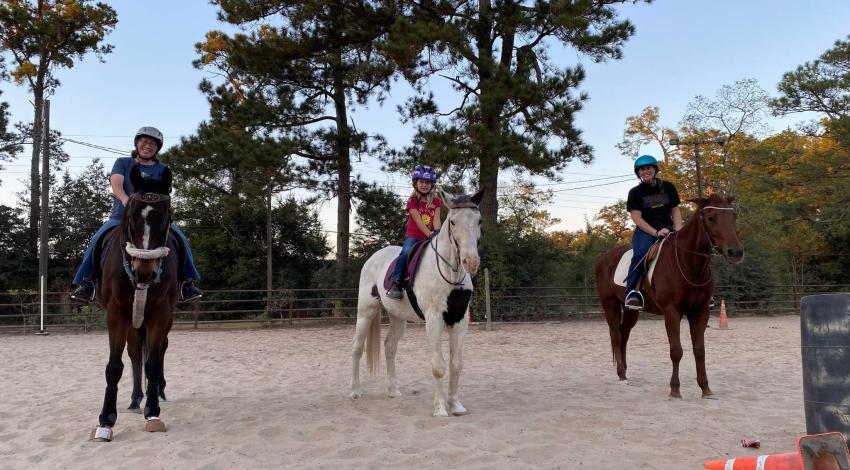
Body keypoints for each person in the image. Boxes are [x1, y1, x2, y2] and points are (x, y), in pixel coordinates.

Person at [69, 126, 203, 303]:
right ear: (137, 143)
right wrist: (125, 200)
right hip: (121, 217)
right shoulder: (123, 163)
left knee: (182, 240)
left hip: (154, 220)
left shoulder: (162, 169)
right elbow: (116, 185)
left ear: (157, 148)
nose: (148, 145)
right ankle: (86, 283)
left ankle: (188, 282)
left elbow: (164, 193)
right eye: (144, 141)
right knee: (96, 240)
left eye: (153, 144)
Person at [624, 154, 683, 311]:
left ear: (655, 169)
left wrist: (679, 232)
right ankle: (631, 293)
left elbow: (675, 211)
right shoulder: (635, 192)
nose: (645, 171)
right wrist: (655, 232)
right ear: (638, 173)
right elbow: (636, 218)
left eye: (648, 168)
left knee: (688, 250)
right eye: (642, 169)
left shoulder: (668, 187)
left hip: (669, 230)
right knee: (640, 254)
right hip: (646, 232)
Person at [386, 165, 442, 300]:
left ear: (431, 184)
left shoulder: (436, 201)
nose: (424, 185)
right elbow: (418, 221)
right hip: (414, 236)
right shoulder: (412, 202)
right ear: (415, 183)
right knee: (405, 252)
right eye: (421, 182)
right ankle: (396, 282)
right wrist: (429, 234)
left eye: (427, 182)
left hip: (430, 236)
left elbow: (436, 220)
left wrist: (438, 233)